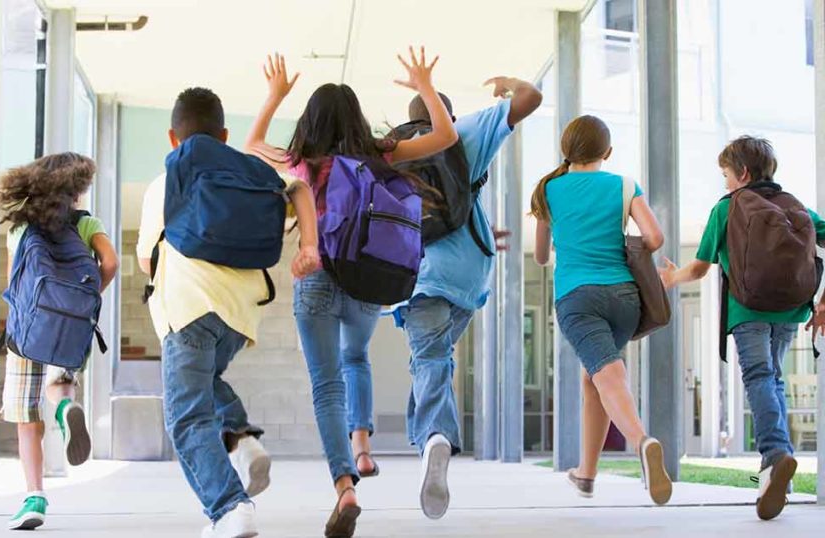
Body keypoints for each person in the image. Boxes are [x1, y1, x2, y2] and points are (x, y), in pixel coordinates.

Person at [245, 48, 457, 537]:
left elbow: (254, 141)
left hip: (317, 276)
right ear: (356, 118)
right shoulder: (380, 153)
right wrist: (425, 85)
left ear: (311, 122)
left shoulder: (305, 162)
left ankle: (344, 485)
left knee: (326, 387)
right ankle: (364, 445)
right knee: (355, 356)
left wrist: (275, 94)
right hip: (368, 278)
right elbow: (444, 136)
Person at [137, 87, 320, 538]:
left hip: (189, 309)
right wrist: (311, 245)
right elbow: (298, 188)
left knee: (186, 417)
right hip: (239, 317)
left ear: (172, 138)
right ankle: (242, 438)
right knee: (206, 383)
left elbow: (146, 259)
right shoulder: (251, 173)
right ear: (224, 134)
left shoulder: (166, 181)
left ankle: (229, 508)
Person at [390, 77, 541, 519]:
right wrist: (508, 84)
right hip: (470, 273)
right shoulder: (464, 133)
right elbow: (531, 98)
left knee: (429, 357)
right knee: (433, 357)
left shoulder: (394, 149)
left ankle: (435, 436)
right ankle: (429, 438)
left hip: (417, 272)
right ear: (446, 115)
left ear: (409, 118)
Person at [660, 136, 825, 520]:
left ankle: (775, 454)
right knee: (774, 379)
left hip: (747, 309)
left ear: (743, 173)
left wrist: (671, 278)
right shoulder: (795, 206)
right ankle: (775, 466)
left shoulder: (727, 209)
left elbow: (699, 268)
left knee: (759, 377)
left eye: (725, 175)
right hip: (790, 310)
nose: (725, 183)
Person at [532, 115, 672, 506]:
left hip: (578, 298)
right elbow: (655, 237)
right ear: (606, 153)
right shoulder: (624, 185)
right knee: (593, 378)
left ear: (566, 149)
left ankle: (642, 442)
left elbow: (542, 256)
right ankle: (586, 474)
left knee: (608, 376)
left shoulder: (548, 190)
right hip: (625, 298)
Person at [0, 152, 120, 530]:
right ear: (75, 191)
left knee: (26, 416)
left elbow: (17, 281)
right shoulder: (86, 223)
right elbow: (111, 261)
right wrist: (87, 299)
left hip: (25, 330)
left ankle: (34, 497)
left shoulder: (20, 228)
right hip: (70, 323)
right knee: (60, 383)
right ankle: (65, 409)